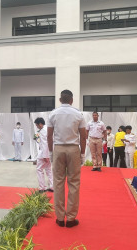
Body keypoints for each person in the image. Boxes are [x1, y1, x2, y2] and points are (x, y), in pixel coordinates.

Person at [47, 90, 86, 228]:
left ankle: (59, 217)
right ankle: (70, 218)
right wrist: (82, 154)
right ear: (71, 100)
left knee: (58, 182)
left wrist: (51, 153)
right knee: (74, 182)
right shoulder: (78, 114)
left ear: (59, 99)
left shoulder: (53, 114)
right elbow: (83, 136)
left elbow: (49, 136)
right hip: (73, 148)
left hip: (58, 148)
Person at [34, 117, 53, 193]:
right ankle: (52, 186)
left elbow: (45, 144)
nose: (36, 126)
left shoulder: (43, 131)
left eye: (37, 125)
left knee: (39, 169)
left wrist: (45, 156)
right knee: (48, 170)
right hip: (48, 152)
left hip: (44, 153)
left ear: (40, 124)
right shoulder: (46, 129)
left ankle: (42, 187)